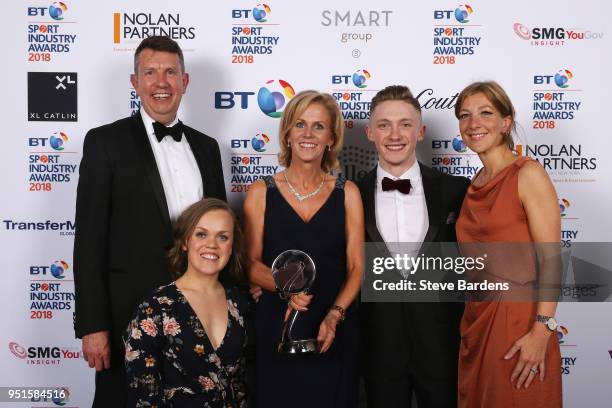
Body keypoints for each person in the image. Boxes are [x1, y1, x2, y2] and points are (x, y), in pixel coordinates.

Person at [73, 35, 226, 407]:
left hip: (199, 314)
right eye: (151, 72)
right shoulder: (104, 142)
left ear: (185, 82)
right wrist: (93, 325)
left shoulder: (207, 148)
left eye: (171, 72)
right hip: (128, 313)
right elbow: (89, 241)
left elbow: (223, 234)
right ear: (135, 82)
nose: (161, 83)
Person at [242, 90, 364, 407]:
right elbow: (249, 263)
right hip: (277, 324)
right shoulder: (261, 191)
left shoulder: (347, 192)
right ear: (287, 133)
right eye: (300, 124)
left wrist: (334, 316)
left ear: (331, 137)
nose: (308, 134)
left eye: (318, 126)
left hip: (331, 328)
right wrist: (285, 285)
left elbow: (357, 267)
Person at [357, 85, 469, 407]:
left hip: (442, 343)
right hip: (378, 345)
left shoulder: (456, 189)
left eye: (405, 124)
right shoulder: (350, 194)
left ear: (420, 132)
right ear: (369, 133)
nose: (395, 134)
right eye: (384, 125)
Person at [454, 81, 562, 407]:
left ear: (506, 122)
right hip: (477, 317)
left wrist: (542, 330)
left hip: (519, 322)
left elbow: (552, 260)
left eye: (485, 113)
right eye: (465, 115)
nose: (474, 124)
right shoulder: (474, 184)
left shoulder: (527, 175)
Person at [124, 198, 249, 407]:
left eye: (223, 237)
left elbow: (244, 382)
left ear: (232, 246)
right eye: (201, 234)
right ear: (184, 242)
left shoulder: (239, 301)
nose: (212, 244)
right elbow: (142, 393)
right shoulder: (155, 306)